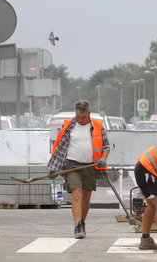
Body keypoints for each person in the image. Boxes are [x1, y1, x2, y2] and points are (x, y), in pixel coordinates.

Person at [47, 100, 110, 239]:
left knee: (86, 196)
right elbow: (60, 147)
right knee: (76, 193)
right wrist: (53, 168)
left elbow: (106, 146)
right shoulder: (69, 125)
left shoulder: (98, 126)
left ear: (89, 113)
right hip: (72, 164)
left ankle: (82, 221)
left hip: (90, 165)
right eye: (78, 116)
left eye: (84, 117)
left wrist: (103, 159)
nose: (81, 120)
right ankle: (77, 226)